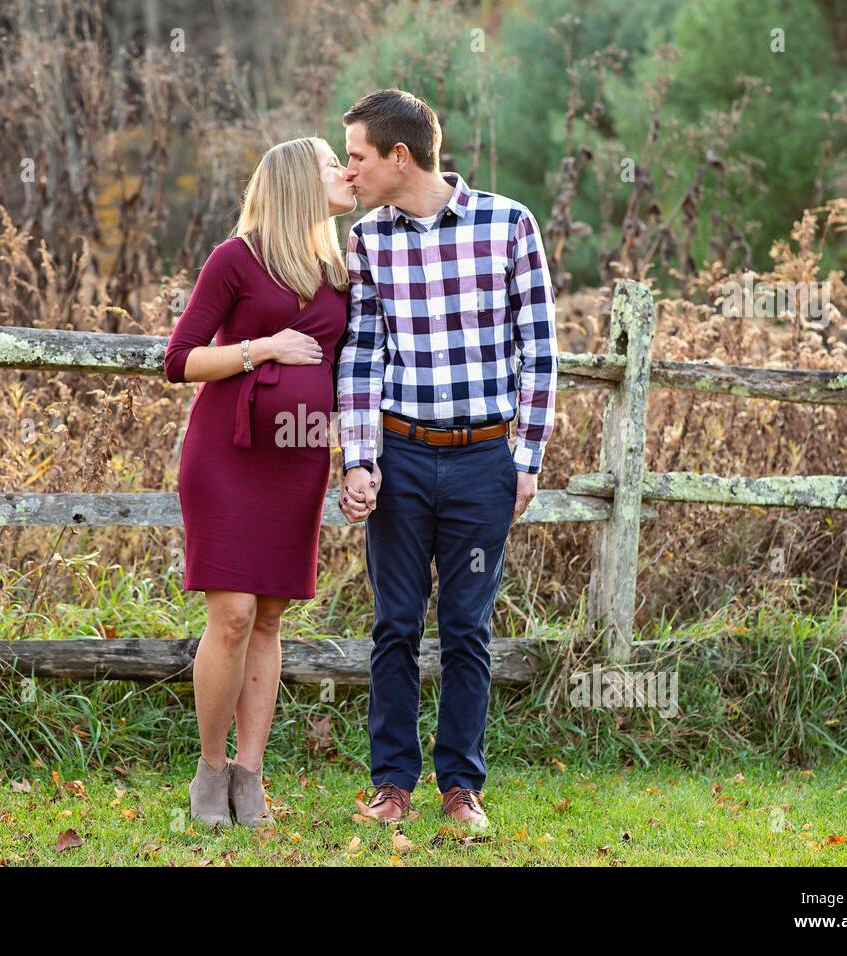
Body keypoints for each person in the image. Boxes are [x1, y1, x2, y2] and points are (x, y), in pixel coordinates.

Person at [336, 89, 558, 830]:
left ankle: (461, 786)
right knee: (395, 623)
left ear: (400, 157)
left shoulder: (509, 223)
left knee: (467, 627)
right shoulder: (368, 239)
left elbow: (540, 350)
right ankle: (391, 783)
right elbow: (362, 354)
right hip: (399, 455)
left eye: (358, 157)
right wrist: (358, 460)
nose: (350, 170)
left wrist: (525, 458)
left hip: (481, 463)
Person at [164, 136, 357, 827]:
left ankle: (251, 774)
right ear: (301, 180)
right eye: (335, 164)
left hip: (298, 457)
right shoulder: (236, 258)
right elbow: (179, 361)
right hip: (227, 453)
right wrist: (263, 348)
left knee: (271, 616)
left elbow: (357, 366)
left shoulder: (343, 268)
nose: (348, 173)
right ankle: (209, 773)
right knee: (234, 614)